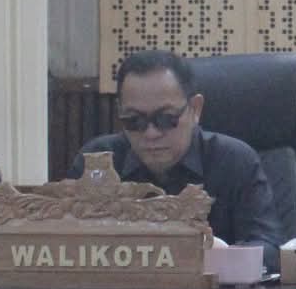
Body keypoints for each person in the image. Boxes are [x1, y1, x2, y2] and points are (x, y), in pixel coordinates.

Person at [70, 50, 282, 268]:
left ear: (195, 109)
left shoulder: (234, 162)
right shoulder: (96, 163)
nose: (151, 133)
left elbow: (269, 251)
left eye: (166, 118)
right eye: (134, 120)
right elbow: (66, 246)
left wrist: (216, 255)